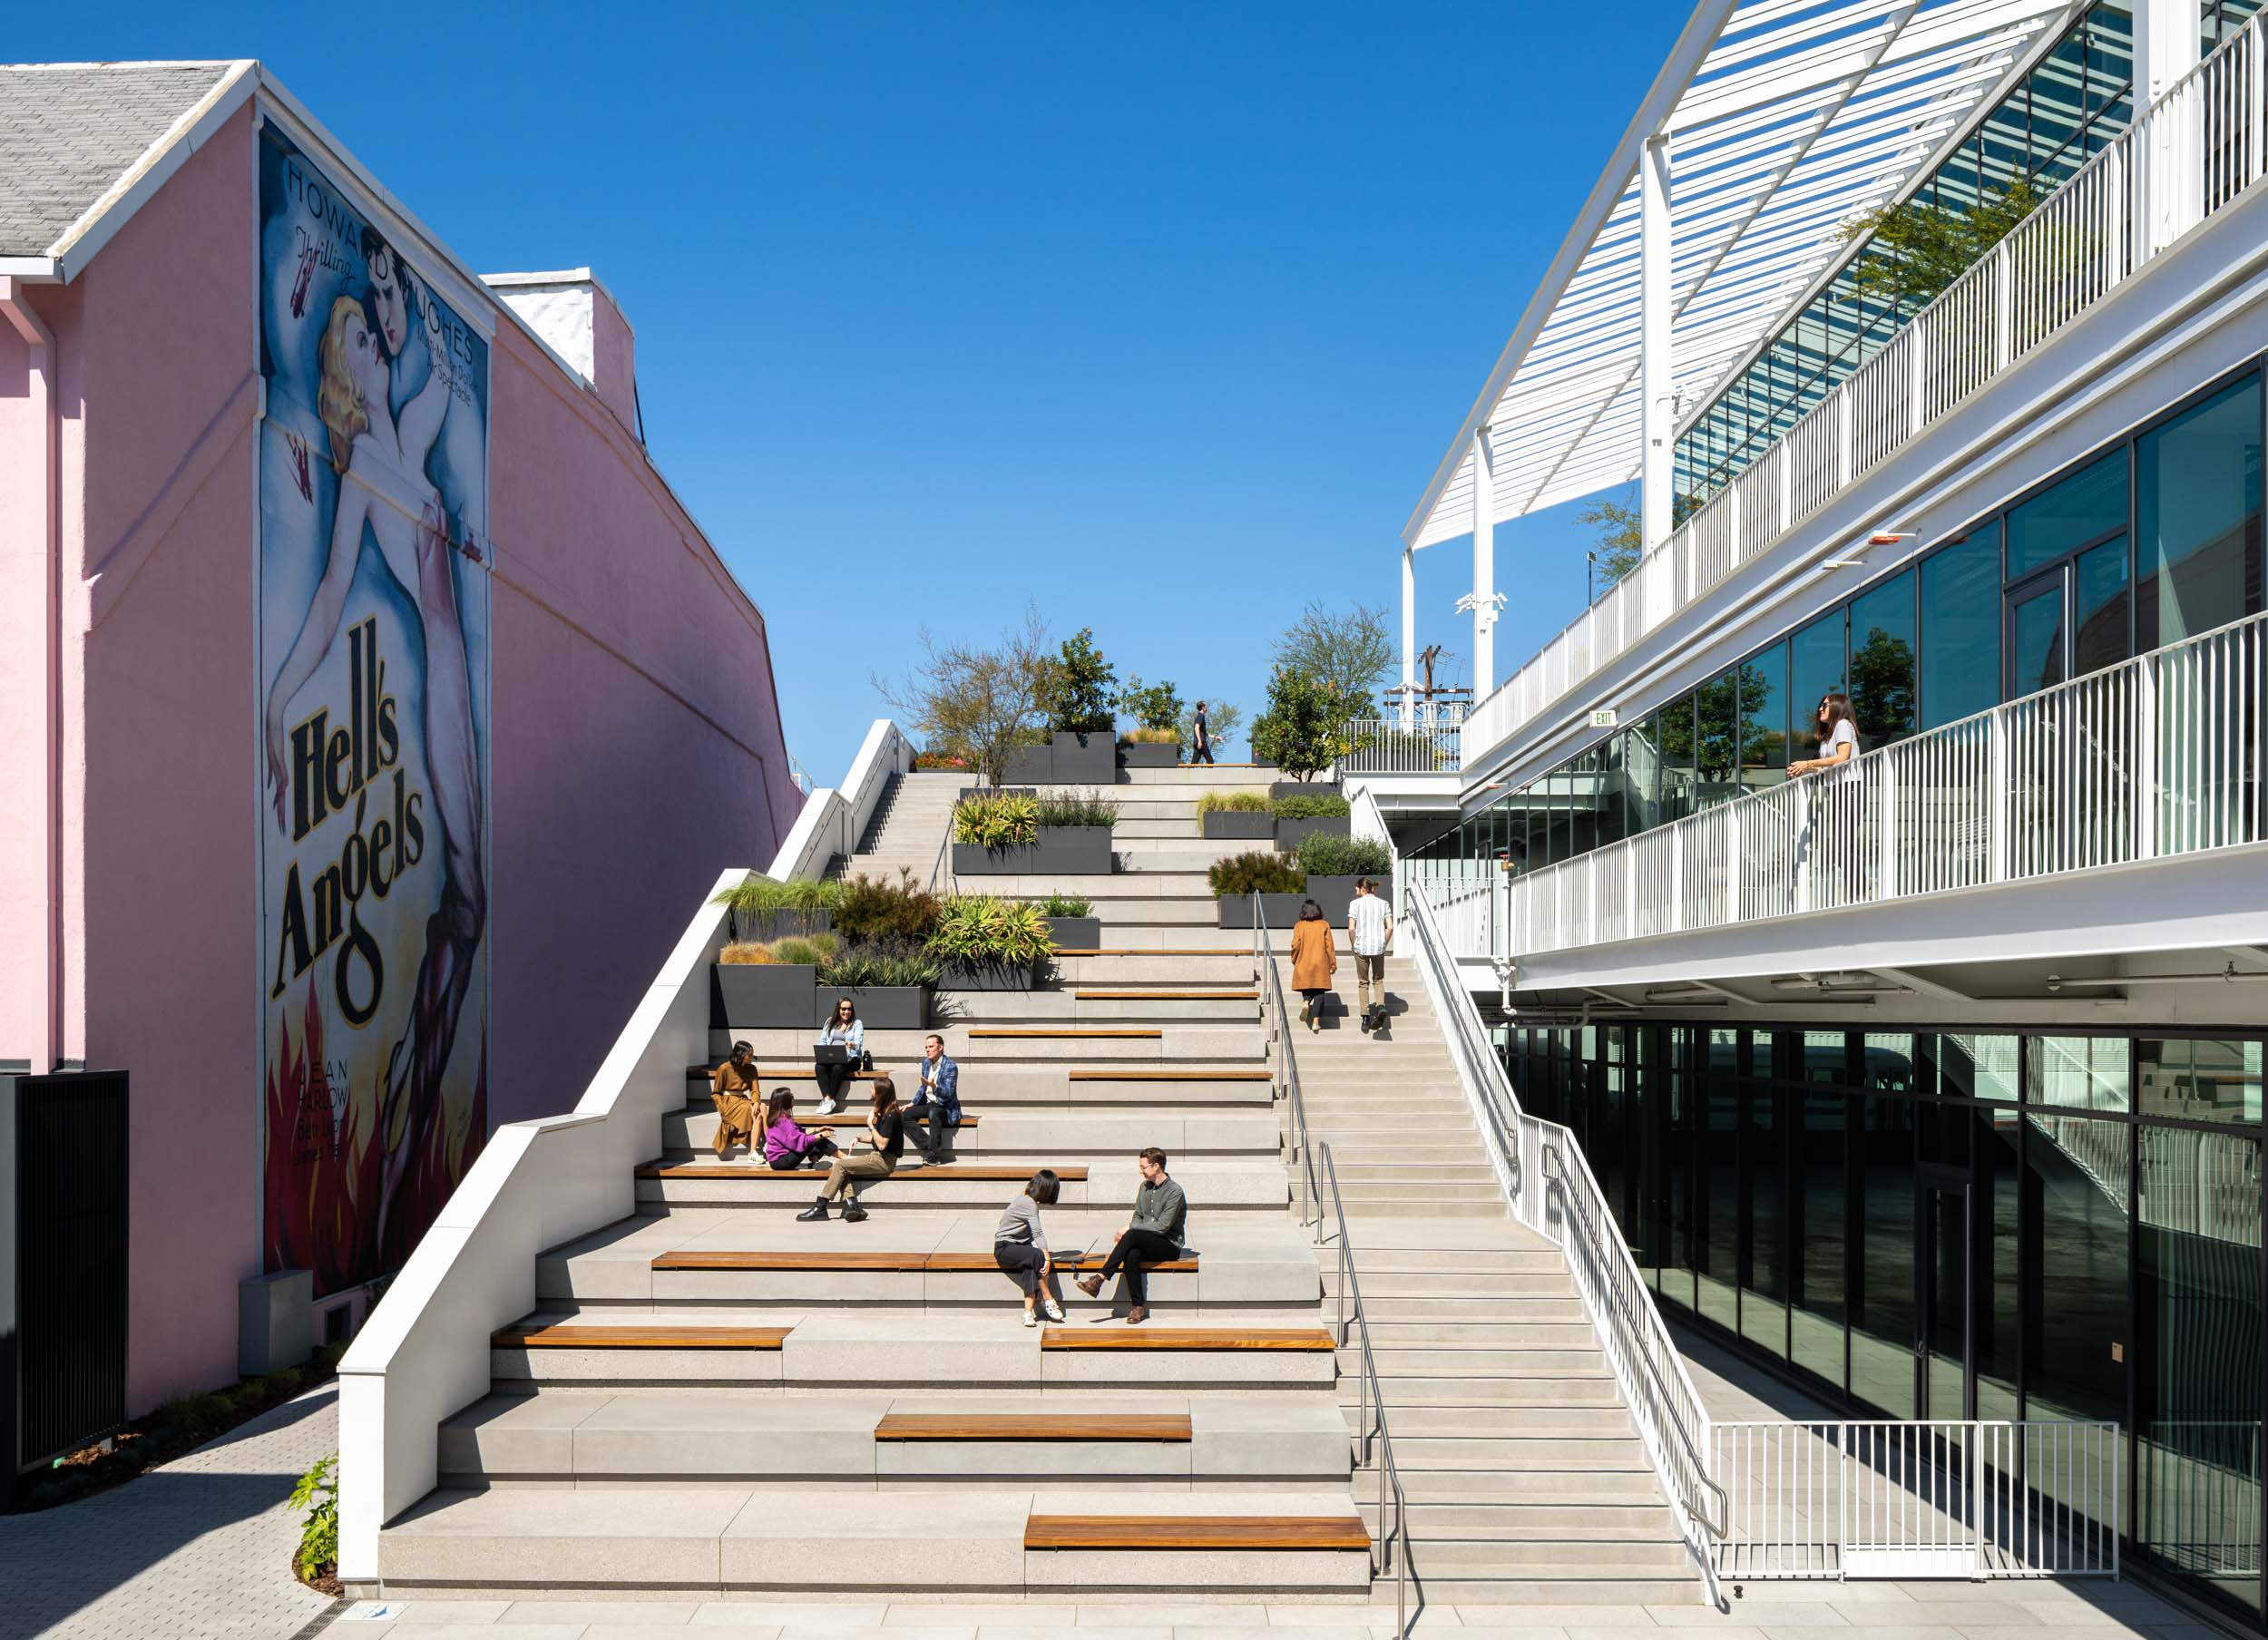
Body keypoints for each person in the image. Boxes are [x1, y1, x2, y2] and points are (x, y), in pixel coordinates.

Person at [268, 253, 484, 1260]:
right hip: (445, 697)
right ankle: (398, 1150)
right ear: (347, 364)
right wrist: (276, 703)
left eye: (373, 319)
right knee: (469, 908)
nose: (372, 335)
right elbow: (319, 608)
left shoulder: (409, 428)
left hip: (459, 691)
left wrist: (409, 301)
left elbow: (441, 372)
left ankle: (403, 1126)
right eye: (360, 328)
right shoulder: (362, 472)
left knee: (469, 915)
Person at [1075, 1147, 1187, 1325]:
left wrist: (1130, 1228)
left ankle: (1099, 1278)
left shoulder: (1175, 1192)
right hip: (1145, 1240)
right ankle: (1138, 1307)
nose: (1140, 1171)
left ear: (1156, 1166)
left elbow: (1162, 1227)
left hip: (1168, 1244)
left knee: (1132, 1233)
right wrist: (1132, 1228)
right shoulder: (1144, 1187)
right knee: (1131, 1254)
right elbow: (1138, 1215)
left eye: (1143, 1167)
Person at [797, 1077, 903, 1223]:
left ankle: (821, 1207)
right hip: (879, 1156)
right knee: (842, 1167)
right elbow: (880, 1139)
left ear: (880, 1093)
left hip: (884, 1160)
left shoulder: (891, 1115)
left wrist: (870, 1125)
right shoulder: (886, 1111)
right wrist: (859, 1138)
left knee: (840, 1165)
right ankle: (852, 1206)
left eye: (872, 1088)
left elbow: (883, 1144)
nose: (870, 1090)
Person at [994, 1169, 1069, 1327]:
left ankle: (1027, 1313)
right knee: (1039, 1256)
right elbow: (1038, 1232)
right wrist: (1047, 1258)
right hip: (1005, 1247)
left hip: (1018, 1246)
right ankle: (1048, 1298)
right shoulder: (1028, 1203)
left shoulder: (1026, 1197)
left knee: (1030, 1266)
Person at [1346, 877, 1395, 1034]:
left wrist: (1354, 945)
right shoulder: (1384, 904)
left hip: (1361, 947)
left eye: (1356, 889)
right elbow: (1390, 927)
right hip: (1378, 948)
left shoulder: (1355, 904)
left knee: (1363, 982)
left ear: (1362, 889)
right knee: (1378, 980)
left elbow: (1351, 929)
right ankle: (1380, 1006)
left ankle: (1366, 1018)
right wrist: (1383, 943)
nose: (1355, 892)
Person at [904, 1032, 962, 1165]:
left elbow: (949, 1093)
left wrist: (934, 1086)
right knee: (903, 1115)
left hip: (944, 1105)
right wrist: (913, 1103)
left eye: (931, 1047)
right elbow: (923, 1087)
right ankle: (930, 1146)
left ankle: (934, 1156)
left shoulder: (950, 1066)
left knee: (933, 1112)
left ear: (940, 1047)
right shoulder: (926, 1063)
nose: (927, 1050)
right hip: (930, 1103)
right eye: (926, 1047)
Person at [761, 1088, 840, 1171]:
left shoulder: (776, 1118)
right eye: (791, 1098)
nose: (793, 1100)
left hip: (775, 1162)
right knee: (816, 1139)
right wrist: (821, 1135)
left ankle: (815, 1162)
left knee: (814, 1137)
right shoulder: (784, 1122)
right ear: (785, 1102)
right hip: (783, 1162)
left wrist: (817, 1129)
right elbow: (800, 1141)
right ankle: (845, 1158)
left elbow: (798, 1132)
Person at [708, 1042, 763, 1158]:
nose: (752, 1057)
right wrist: (723, 1110)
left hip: (743, 1099)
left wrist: (756, 1101)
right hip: (729, 1102)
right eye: (749, 1055)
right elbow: (716, 1093)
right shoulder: (724, 1068)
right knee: (751, 1109)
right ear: (740, 1055)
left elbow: (755, 1090)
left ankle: (768, 1144)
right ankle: (754, 1151)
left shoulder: (752, 1068)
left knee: (762, 1107)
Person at [1289, 898, 1336, 1033]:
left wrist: (1294, 959)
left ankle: (1306, 1002)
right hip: (1320, 962)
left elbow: (1295, 944)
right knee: (1319, 992)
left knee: (1307, 986)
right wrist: (1332, 963)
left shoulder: (1299, 925)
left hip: (1304, 961)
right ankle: (1316, 1022)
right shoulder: (1324, 925)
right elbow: (1329, 946)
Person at [1789, 693, 1860, 777]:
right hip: (1835, 786)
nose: (1820, 709)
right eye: (1821, 706)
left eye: (1824, 705)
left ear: (1838, 706)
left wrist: (1807, 764)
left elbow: (1842, 758)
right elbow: (1824, 768)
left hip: (1849, 784)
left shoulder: (1843, 724)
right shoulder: (1826, 736)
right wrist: (1802, 768)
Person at [814, 996, 864, 1114]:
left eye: (849, 1009)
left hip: (851, 1058)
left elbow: (859, 1042)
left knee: (838, 1067)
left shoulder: (857, 1023)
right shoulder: (830, 1022)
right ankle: (828, 1100)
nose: (846, 1012)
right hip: (832, 1057)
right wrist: (822, 1052)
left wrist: (852, 1044)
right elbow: (823, 1041)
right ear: (838, 1009)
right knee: (819, 1066)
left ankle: (829, 1099)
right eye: (844, 1009)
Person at [1190, 701, 1215, 766]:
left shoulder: (1200, 716)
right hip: (1201, 743)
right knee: (1210, 761)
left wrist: (1215, 737)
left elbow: (1203, 732)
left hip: (1198, 743)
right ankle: (1207, 775)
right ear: (1203, 707)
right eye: (1206, 706)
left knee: (1194, 763)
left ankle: (1187, 774)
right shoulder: (1200, 716)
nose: (1207, 707)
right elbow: (1196, 728)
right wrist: (1200, 741)